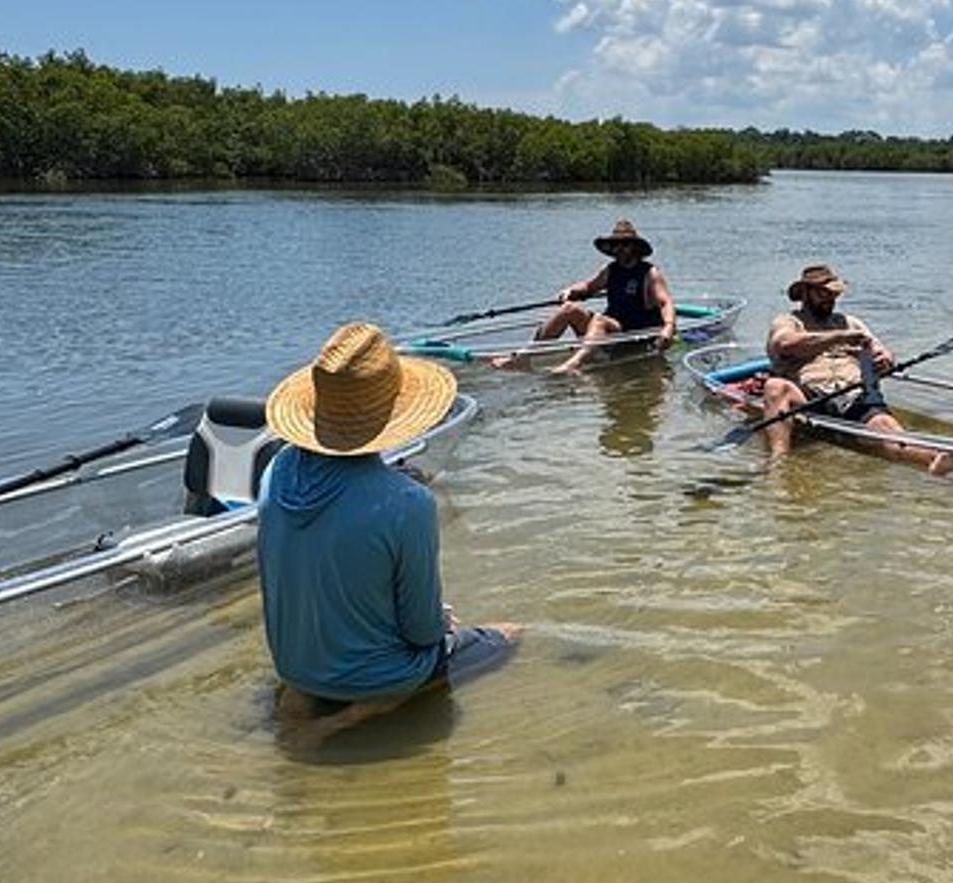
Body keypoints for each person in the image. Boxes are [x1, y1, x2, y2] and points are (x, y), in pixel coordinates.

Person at [259, 321, 519, 738]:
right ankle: (349, 718)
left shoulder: (278, 470)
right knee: (508, 634)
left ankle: (300, 702)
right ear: (391, 413)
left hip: (293, 665)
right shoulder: (406, 502)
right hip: (372, 678)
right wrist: (441, 621)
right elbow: (421, 632)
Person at [760, 264, 953, 475]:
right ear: (805, 293)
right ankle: (779, 461)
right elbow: (784, 343)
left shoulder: (850, 322)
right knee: (775, 387)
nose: (830, 299)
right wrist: (840, 337)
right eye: (823, 293)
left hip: (854, 393)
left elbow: (880, 349)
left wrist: (884, 358)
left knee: (884, 426)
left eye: (834, 294)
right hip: (809, 393)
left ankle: (935, 460)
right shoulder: (789, 321)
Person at [509, 218, 677, 375]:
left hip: (634, 336)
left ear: (635, 247)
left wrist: (668, 327)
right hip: (610, 332)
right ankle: (525, 357)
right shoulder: (611, 269)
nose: (619, 249)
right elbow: (589, 286)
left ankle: (573, 365)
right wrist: (571, 291)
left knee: (600, 320)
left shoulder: (649, 273)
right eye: (615, 245)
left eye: (625, 245)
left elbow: (665, 303)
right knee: (569, 309)